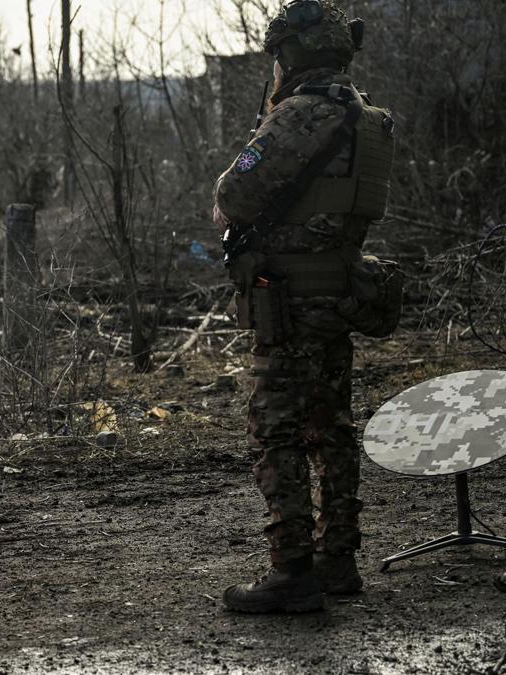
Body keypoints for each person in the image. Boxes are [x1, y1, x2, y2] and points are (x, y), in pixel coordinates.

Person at [212, 0, 396, 612]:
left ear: (291, 55)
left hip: (288, 300)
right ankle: (337, 558)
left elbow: (234, 194)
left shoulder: (297, 115)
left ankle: (292, 571)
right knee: (332, 426)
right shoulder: (367, 119)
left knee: (277, 430)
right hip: (339, 290)